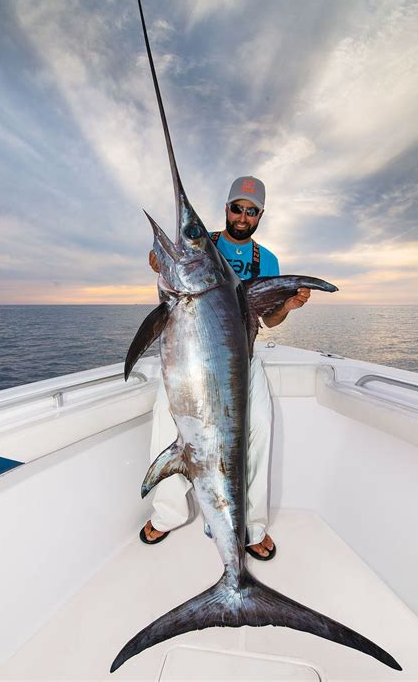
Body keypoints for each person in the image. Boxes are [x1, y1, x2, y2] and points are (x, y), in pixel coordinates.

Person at [141, 176, 310, 559]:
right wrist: (160, 263)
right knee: (164, 423)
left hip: (241, 360)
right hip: (187, 361)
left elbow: (269, 321)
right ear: (227, 209)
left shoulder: (265, 260)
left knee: (261, 427)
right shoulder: (202, 244)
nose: (243, 216)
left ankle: (250, 526)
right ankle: (168, 513)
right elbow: (175, 279)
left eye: (252, 211)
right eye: (238, 207)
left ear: (260, 215)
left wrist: (286, 306)